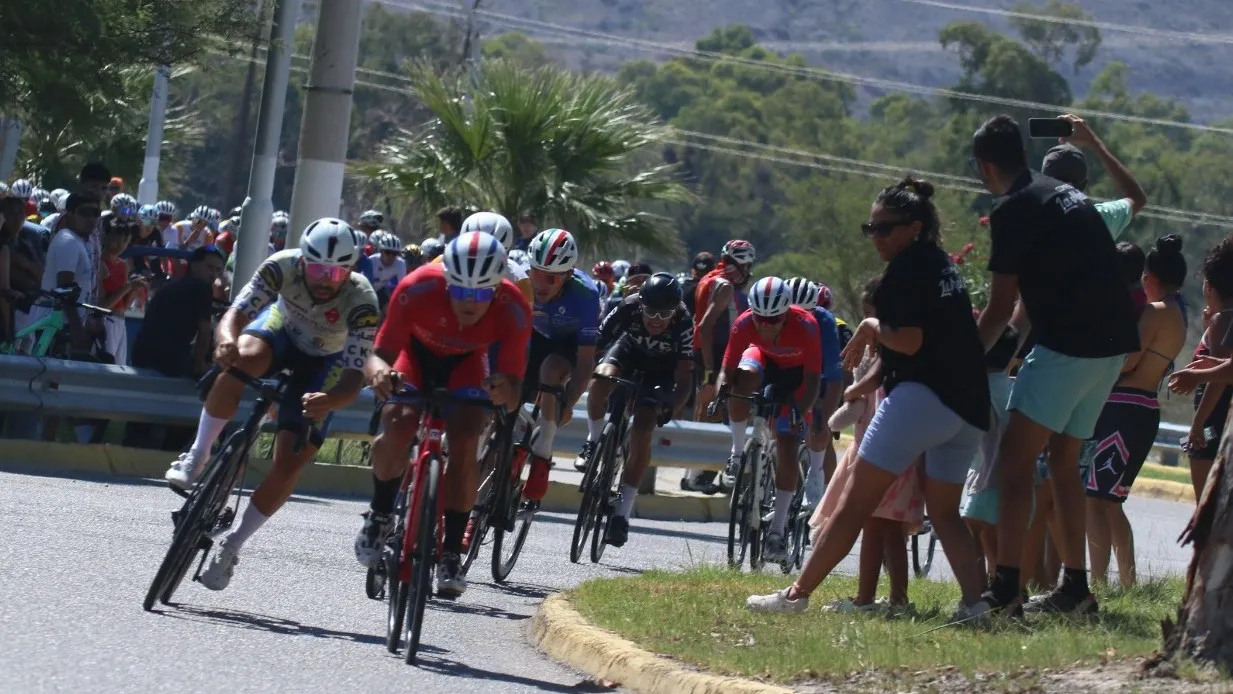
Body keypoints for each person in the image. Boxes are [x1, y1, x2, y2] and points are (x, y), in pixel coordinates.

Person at [748, 177, 990, 619]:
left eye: (884, 228)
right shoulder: (942, 265)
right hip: (967, 403)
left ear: (914, 228)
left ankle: (796, 596)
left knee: (852, 504)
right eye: (870, 228)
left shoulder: (906, 270)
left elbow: (910, 341)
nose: (875, 237)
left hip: (921, 398)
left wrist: (871, 326)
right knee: (945, 513)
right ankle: (976, 605)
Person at [974, 115, 1140, 616]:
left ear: (984, 167)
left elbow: (999, 309)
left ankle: (1005, 591)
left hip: (1069, 346)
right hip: (1113, 347)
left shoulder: (1013, 209)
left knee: (1014, 460)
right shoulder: (1068, 197)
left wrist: (958, 361)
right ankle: (1074, 589)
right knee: (1064, 461)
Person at [162, 219, 378, 591]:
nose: (325, 280)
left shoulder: (362, 301)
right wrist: (226, 340)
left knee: (292, 459)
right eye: (317, 269)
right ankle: (197, 455)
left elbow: (353, 379)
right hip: (282, 330)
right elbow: (235, 315)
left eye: (336, 272)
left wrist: (330, 401)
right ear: (302, 259)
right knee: (241, 360)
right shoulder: (282, 265)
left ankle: (233, 544)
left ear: (351, 269)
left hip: (326, 361)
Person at [357, 231, 531, 599]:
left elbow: (515, 388)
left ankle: (451, 553)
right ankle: (379, 513)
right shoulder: (418, 286)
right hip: (415, 357)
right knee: (399, 422)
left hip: (468, 365)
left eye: (480, 294)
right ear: (447, 280)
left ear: (497, 289)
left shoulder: (514, 306)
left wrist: (504, 390)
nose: (469, 302)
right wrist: (379, 372)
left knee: (466, 440)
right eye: (461, 290)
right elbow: (378, 354)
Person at [1080, 236, 1187, 587]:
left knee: (1095, 499)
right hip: (1144, 408)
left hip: (1124, 408)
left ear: (1150, 277)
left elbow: (1128, 361)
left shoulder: (1156, 312)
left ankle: (1097, 584)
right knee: (1111, 502)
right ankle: (1127, 582)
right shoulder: (1180, 311)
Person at [581, 272, 694, 548]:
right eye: (651, 311)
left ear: (675, 311)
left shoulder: (683, 321)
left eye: (664, 314)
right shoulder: (629, 305)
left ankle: (622, 513)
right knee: (601, 378)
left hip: (661, 371)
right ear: (641, 304)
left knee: (642, 430)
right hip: (627, 353)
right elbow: (598, 342)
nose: (656, 319)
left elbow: (685, 378)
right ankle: (593, 441)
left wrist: (671, 405)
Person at [717, 277, 822, 562]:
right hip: (763, 361)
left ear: (786, 312)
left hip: (797, 377)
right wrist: (723, 392)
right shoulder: (744, 323)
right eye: (760, 318)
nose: (765, 325)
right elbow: (727, 368)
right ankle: (737, 454)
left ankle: (776, 533)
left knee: (787, 445)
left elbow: (813, 379)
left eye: (773, 319)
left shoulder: (807, 325)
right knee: (742, 377)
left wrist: (800, 410)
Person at [519, 229, 600, 495]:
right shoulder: (520, 280)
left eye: (551, 278)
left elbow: (586, 360)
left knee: (551, 369)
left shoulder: (586, 295)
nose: (540, 284)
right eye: (536, 274)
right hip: (533, 336)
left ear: (567, 275)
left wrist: (569, 403)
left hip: (567, 344)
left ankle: (542, 453)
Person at [1168, 236, 1233, 500]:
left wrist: (1198, 423)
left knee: (1206, 504)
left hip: (1213, 420)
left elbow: (1219, 381)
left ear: (1209, 286)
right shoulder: (1220, 321)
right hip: (1220, 421)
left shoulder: (1222, 320)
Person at [785, 277, 844, 509]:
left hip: (819, 377)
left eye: (805, 314)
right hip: (788, 372)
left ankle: (819, 483)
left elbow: (835, 377)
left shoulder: (826, 322)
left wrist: (826, 419)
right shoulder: (771, 317)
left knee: (820, 433)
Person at [1039, 114, 1147, 240]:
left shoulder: (1025, 220)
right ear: (1085, 184)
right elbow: (1137, 197)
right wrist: (1094, 142)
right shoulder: (1100, 219)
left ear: (1043, 181)